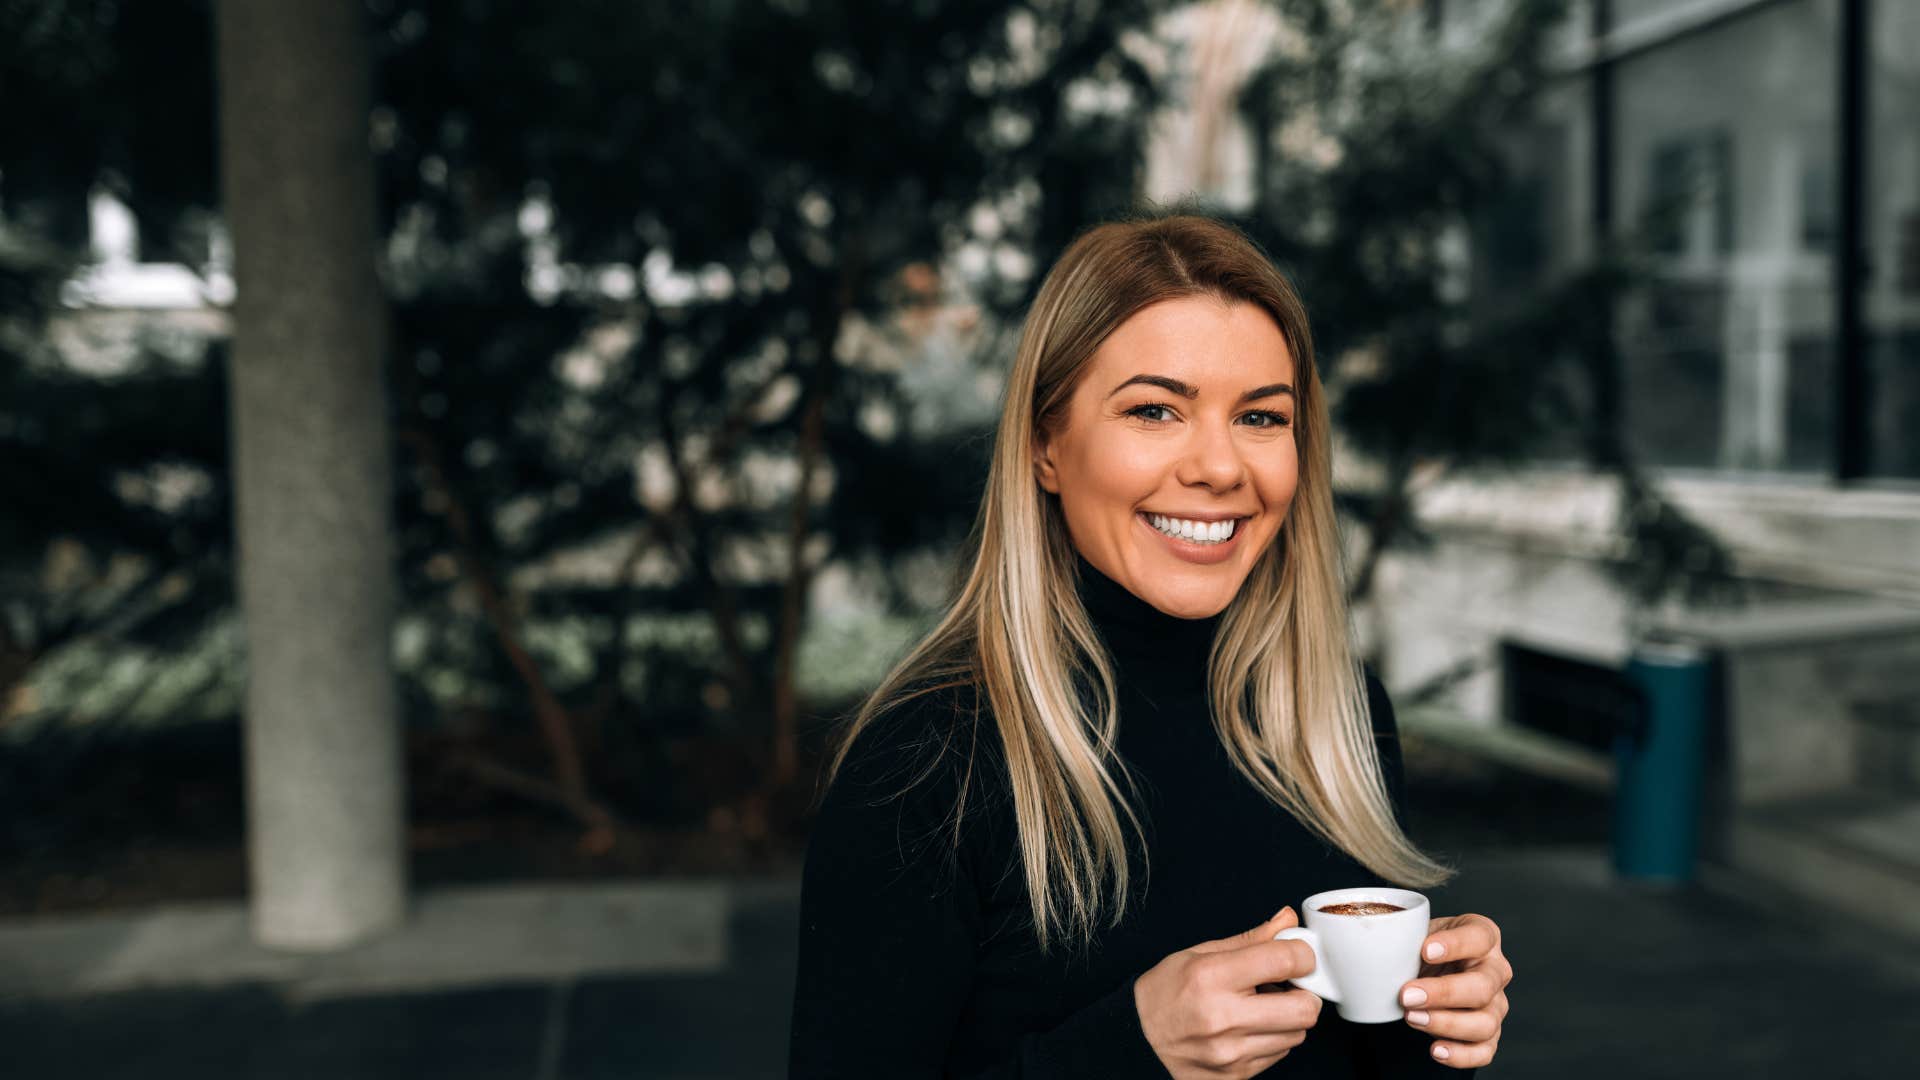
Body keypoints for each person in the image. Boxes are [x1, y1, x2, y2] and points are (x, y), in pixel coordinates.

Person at [786, 213, 1513, 1078]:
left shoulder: (1339, 717)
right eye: (1155, 410)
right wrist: (1130, 1050)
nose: (1218, 467)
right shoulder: (924, 765)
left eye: (1260, 417)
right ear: (1046, 446)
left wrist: (1439, 1027)